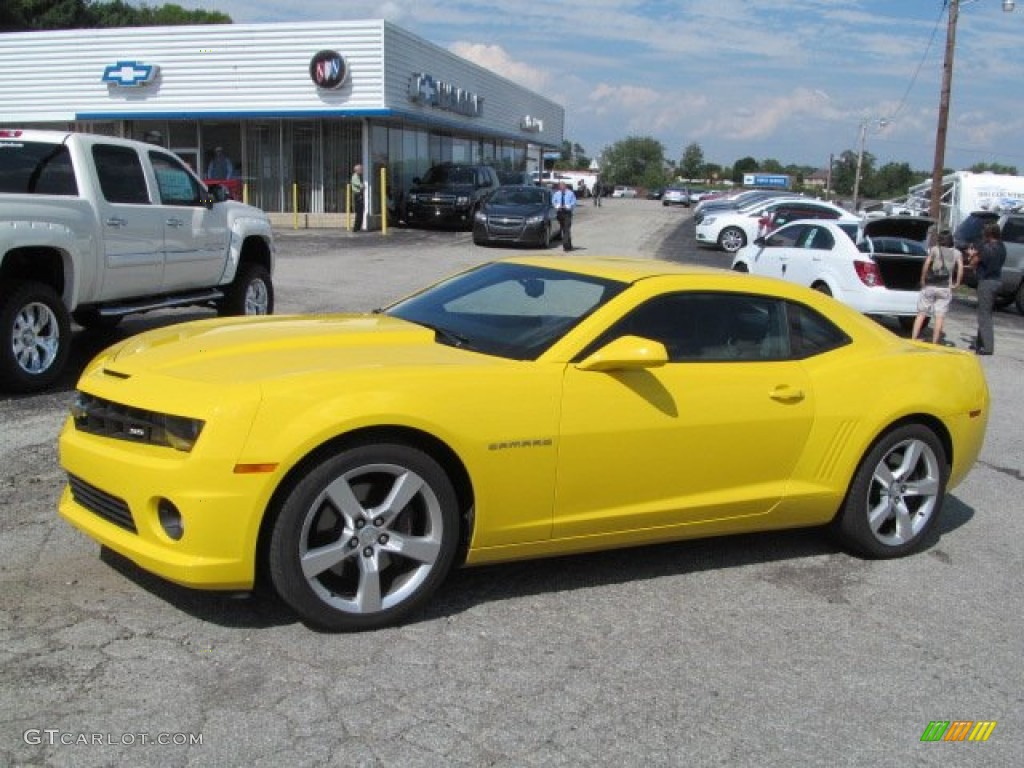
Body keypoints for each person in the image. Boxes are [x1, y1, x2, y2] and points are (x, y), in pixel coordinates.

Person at [911, 230, 962, 344]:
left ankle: (914, 338)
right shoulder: (957, 253)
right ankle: (935, 342)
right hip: (945, 287)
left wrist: (923, 279)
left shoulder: (934, 250)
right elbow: (960, 267)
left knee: (921, 313)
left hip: (930, 285)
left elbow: (927, 264)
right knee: (939, 316)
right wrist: (957, 282)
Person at [970, 221, 1006, 355]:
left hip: (986, 282)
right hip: (997, 281)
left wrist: (971, 254)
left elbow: (974, 262)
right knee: (986, 312)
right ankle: (980, 343)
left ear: (988, 233)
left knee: (984, 315)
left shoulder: (986, 247)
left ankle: (987, 347)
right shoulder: (1002, 247)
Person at [553, 181, 576, 252]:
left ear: (565, 186)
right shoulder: (557, 194)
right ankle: (569, 245)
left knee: (566, 228)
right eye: (560, 186)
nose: (561, 187)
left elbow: (574, 202)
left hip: (567, 213)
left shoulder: (570, 193)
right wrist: (557, 206)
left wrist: (568, 206)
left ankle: (565, 245)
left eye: (563, 186)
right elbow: (553, 201)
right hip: (560, 213)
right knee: (564, 230)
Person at [350, 163, 365, 232]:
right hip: (357, 195)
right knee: (359, 212)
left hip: (359, 194)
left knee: (361, 211)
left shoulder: (358, 177)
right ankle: (356, 228)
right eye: (361, 169)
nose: (362, 170)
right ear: (357, 170)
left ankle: (358, 227)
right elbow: (361, 186)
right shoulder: (355, 177)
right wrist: (363, 186)